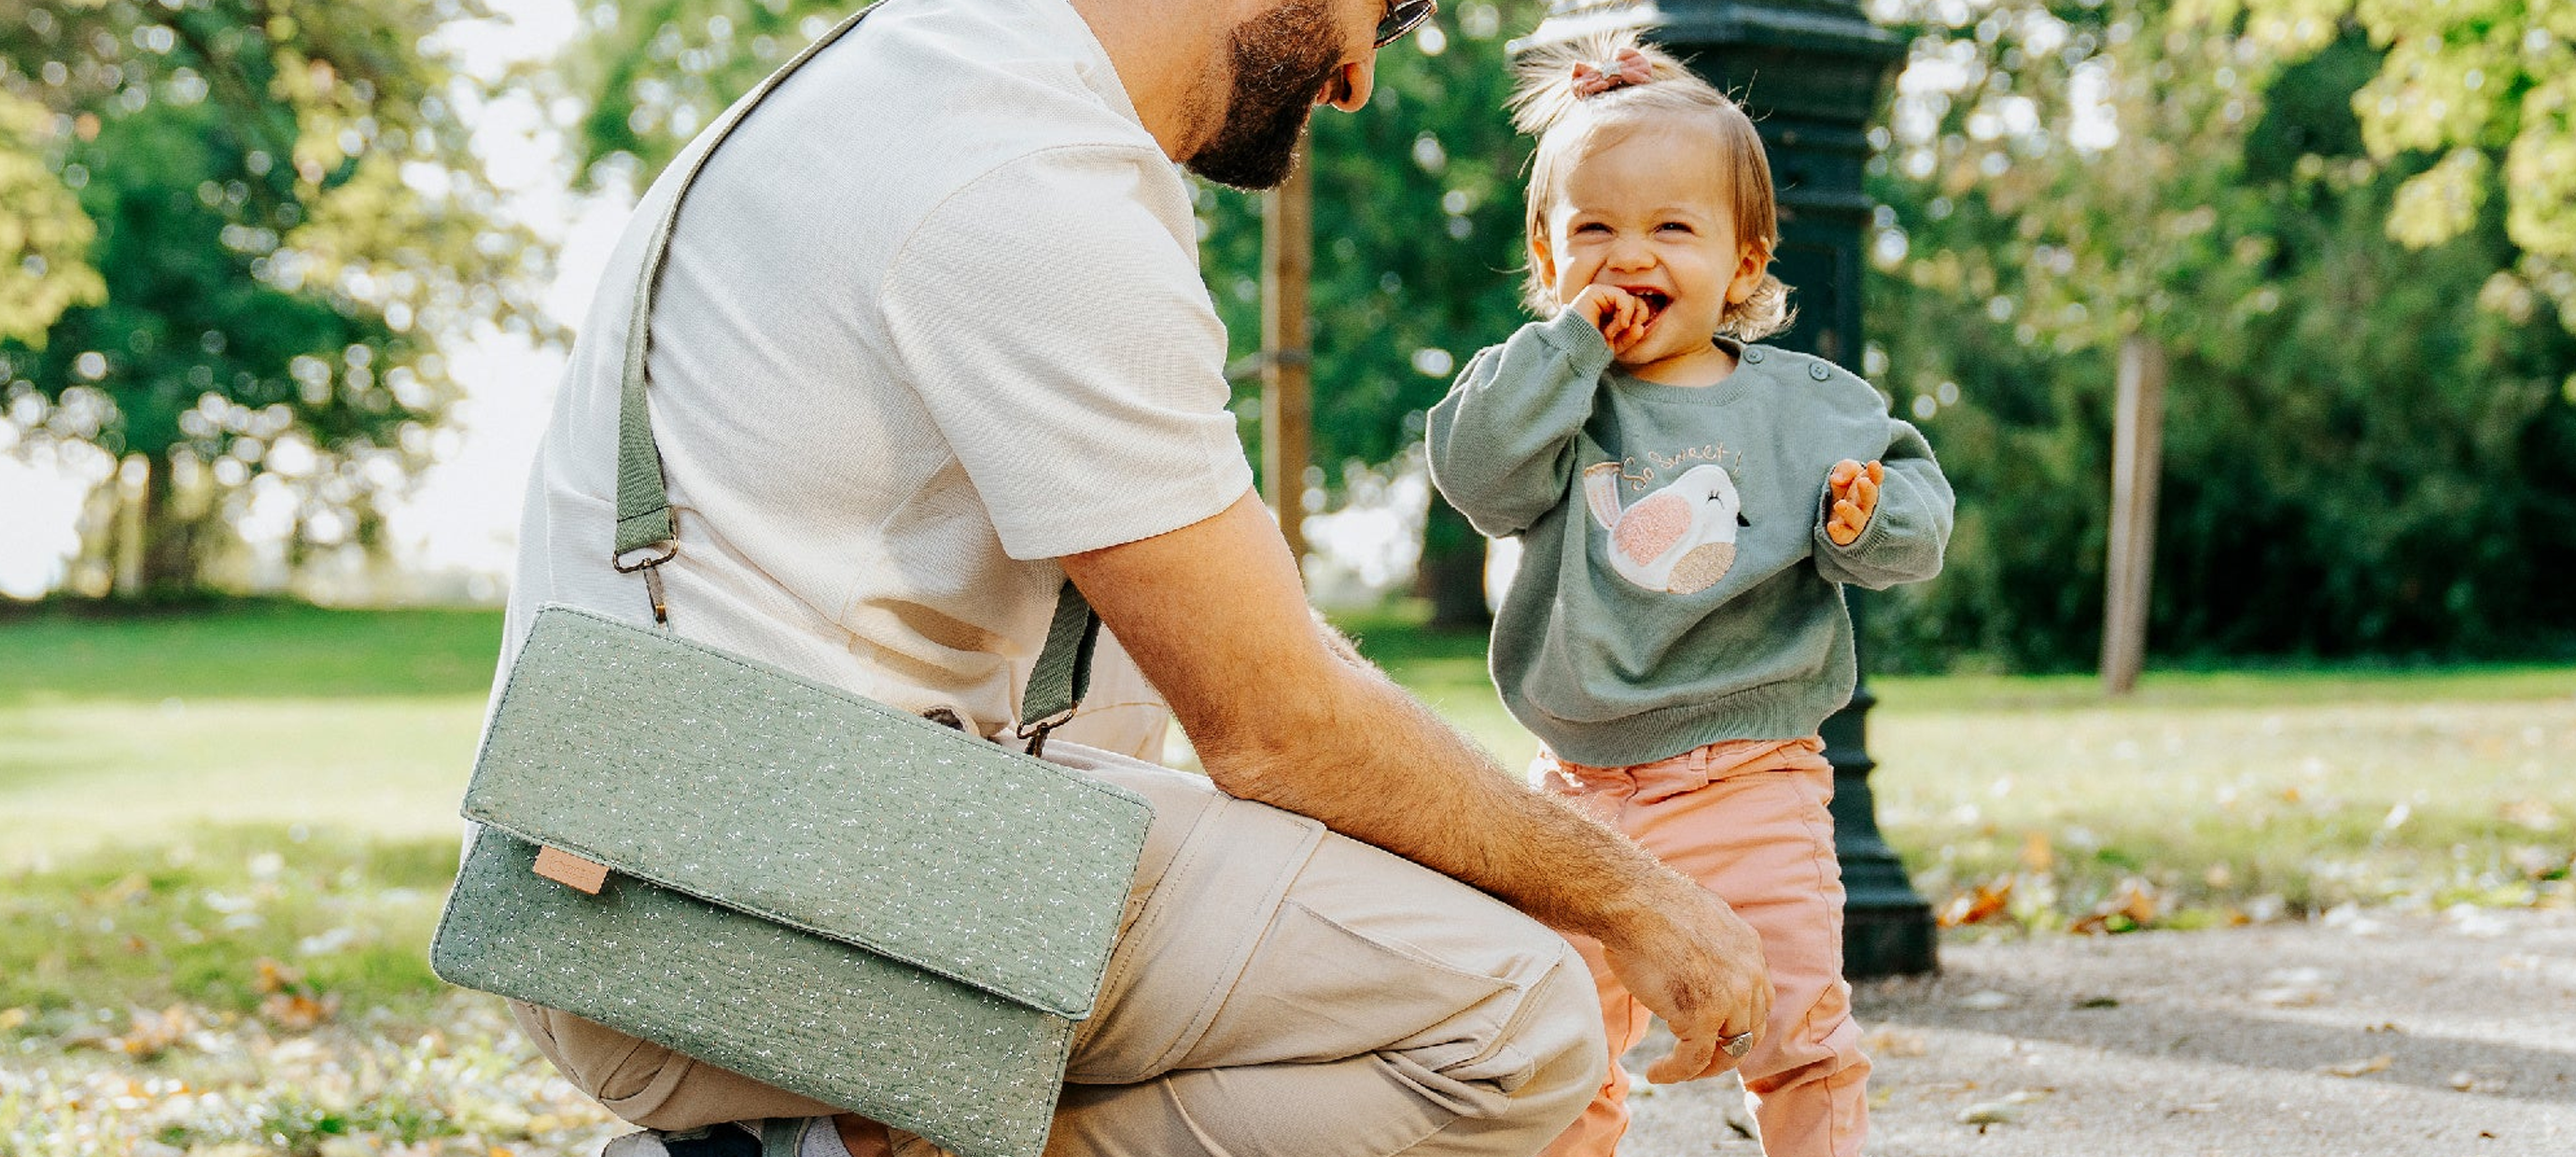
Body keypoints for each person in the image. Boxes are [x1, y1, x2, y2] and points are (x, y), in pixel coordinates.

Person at [479, 1, 1778, 1155]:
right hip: (717, 923)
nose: (1358, 83)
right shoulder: (1031, 178)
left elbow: (1237, 653)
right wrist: (1633, 896)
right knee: (1517, 1015)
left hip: (624, 856)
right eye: (1383, 18)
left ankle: (818, 1145)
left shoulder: (923, 63)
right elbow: (1277, 729)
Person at [1424, 32, 1955, 1157]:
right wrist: (1565, 351)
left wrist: (1868, 520)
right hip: (1577, 800)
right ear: (1546, 249)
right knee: (1556, 1048)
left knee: (1798, 1031)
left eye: (1672, 227)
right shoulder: (1550, 397)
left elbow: (1920, 514)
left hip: (1751, 779)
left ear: (1745, 259)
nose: (1631, 255)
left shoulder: (1806, 406)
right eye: (1595, 230)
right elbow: (1475, 473)